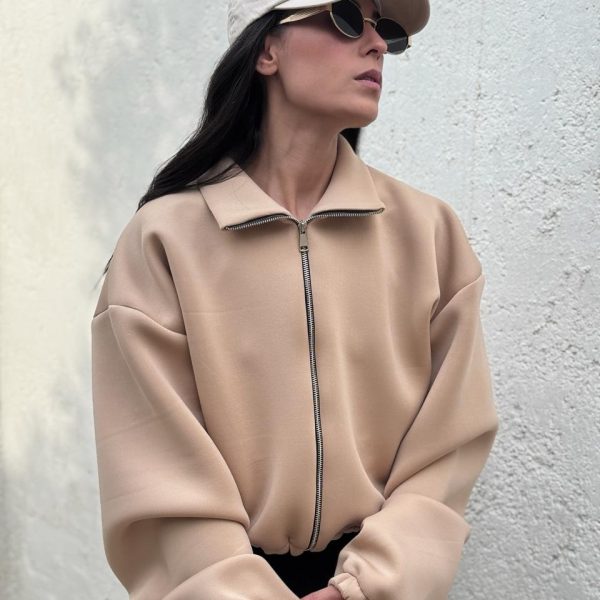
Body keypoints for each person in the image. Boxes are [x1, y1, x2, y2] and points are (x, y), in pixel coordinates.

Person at [90, 0, 500, 598]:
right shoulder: (164, 240)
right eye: (345, 17)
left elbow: (450, 443)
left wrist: (367, 585)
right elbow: (154, 461)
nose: (377, 45)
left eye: (385, 30)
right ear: (266, 50)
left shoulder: (428, 233)